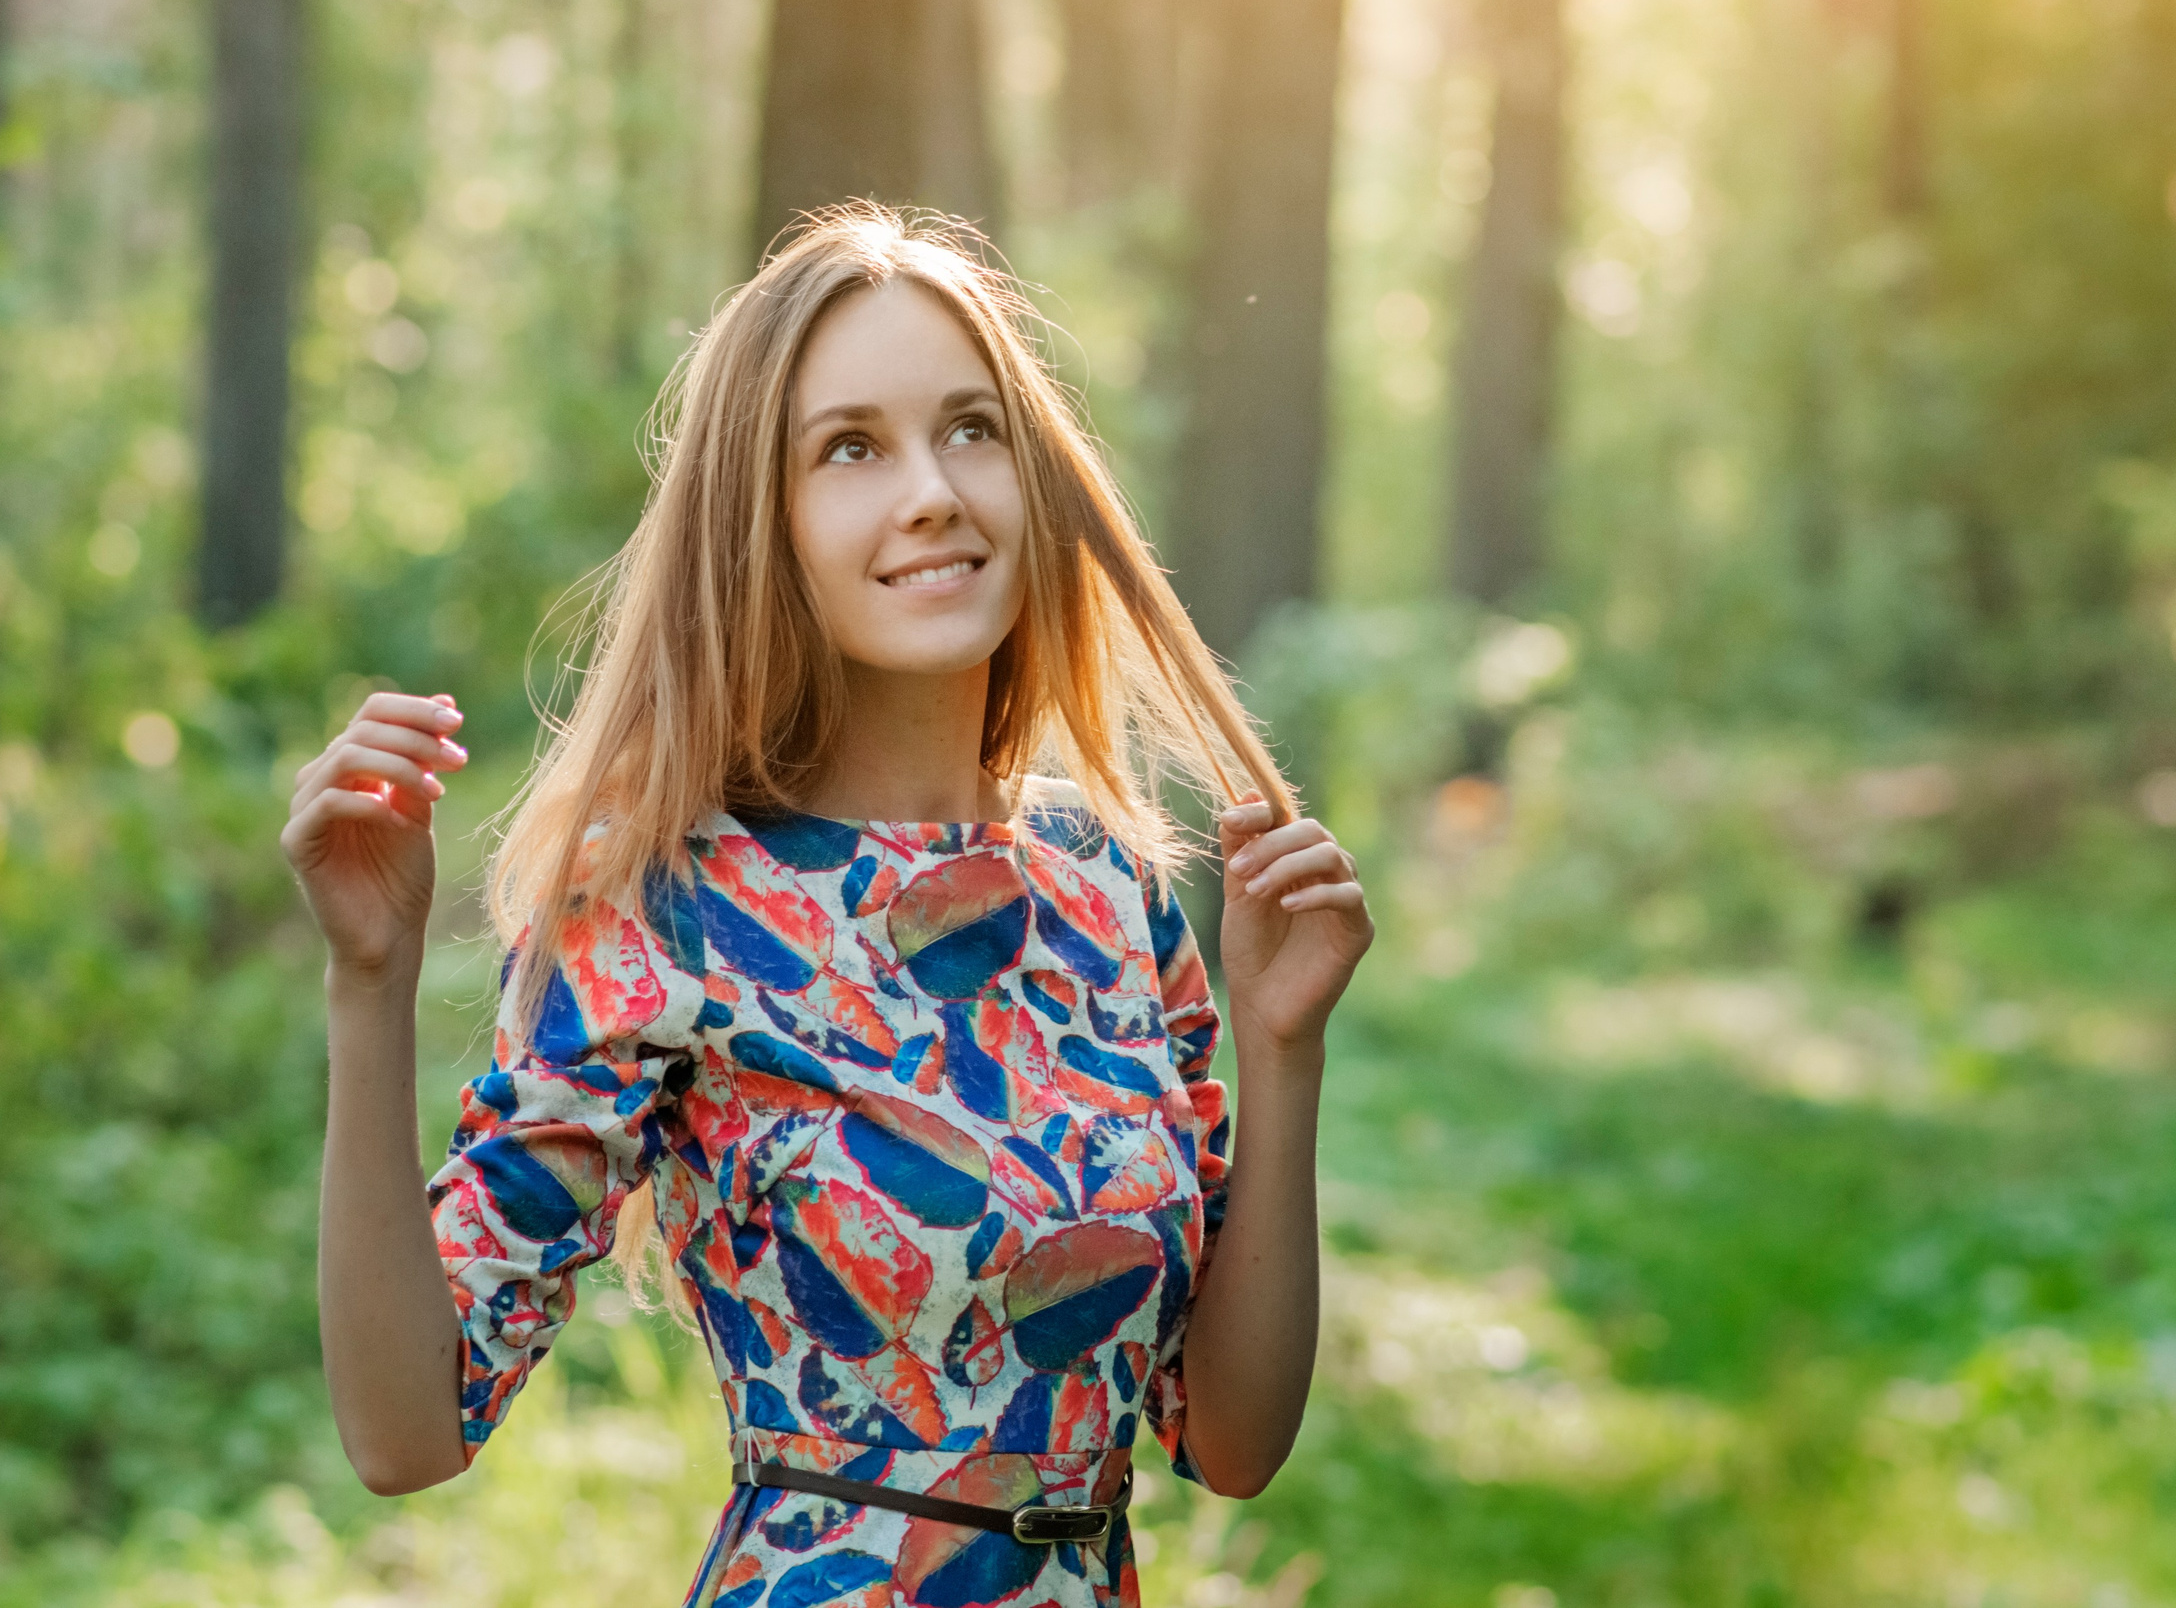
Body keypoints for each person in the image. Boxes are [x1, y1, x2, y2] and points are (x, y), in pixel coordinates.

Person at [280, 204, 1373, 1607]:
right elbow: (405, 1432)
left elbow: (1229, 1443)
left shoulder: (1111, 892)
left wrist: (1285, 1051)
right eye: (850, 448)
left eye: (971, 429)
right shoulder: (666, 906)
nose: (932, 490)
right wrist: (367, 982)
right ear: (762, 520)